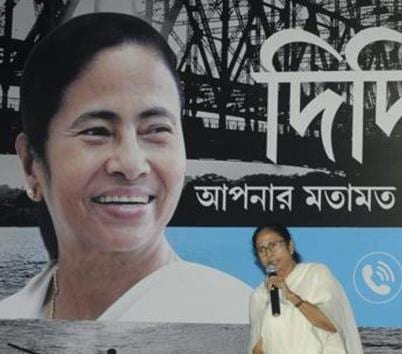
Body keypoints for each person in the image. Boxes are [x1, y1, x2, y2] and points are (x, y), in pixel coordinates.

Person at [0, 12, 251, 322]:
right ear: (30, 165)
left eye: (156, 130)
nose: (132, 165)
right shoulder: (11, 319)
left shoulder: (244, 322)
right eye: (97, 132)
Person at [248, 224, 363, 354]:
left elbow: (334, 326)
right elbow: (257, 348)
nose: (269, 254)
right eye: (262, 250)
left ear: (290, 246)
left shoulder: (316, 275)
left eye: (273, 245)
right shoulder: (259, 295)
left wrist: (292, 296)